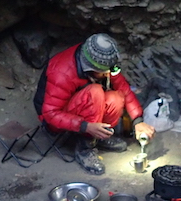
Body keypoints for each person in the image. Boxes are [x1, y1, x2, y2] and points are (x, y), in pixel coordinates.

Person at [33, 33, 156, 175]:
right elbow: (50, 114)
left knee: (116, 98)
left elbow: (123, 89)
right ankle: (85, 148)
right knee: (95, 92)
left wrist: (138, 121)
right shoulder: (62, 72)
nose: (108, 75)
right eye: (104, 72)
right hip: (54, 119)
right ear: (90, 69)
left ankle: (99, 137)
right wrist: (85, 126)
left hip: (82, 106)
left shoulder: (104, 64)